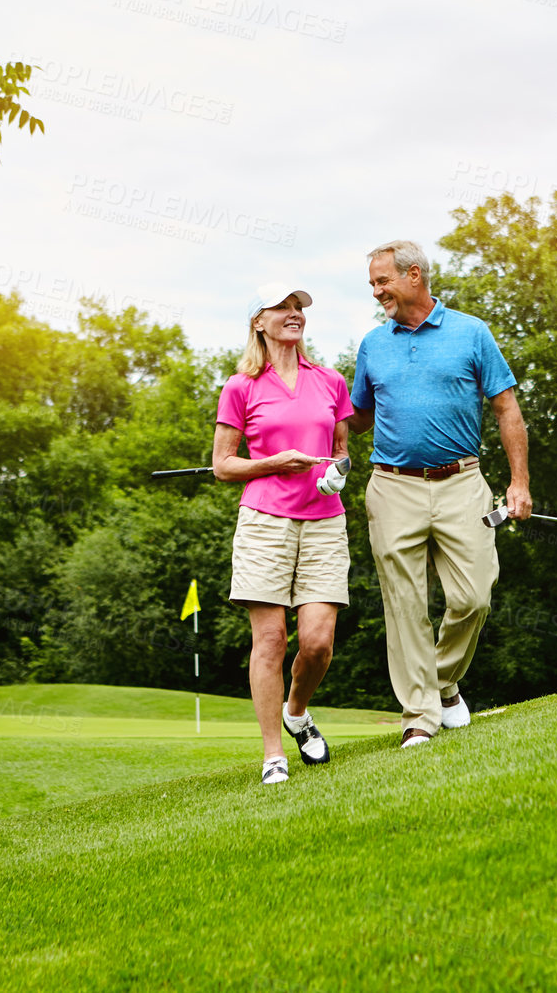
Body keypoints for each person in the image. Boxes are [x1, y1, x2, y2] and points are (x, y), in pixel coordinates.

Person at [345, 240, 531, 749]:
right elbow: (357, 418)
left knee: (474, 595)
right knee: (404, 605)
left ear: (413, 276)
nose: (376, 291)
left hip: (462, 482)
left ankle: (442, 681)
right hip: (391, 486)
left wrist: (519, 483)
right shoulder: (372, 345)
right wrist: (319, 408)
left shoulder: (471, 333)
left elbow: (507, 410)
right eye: (372, 283)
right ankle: (420, 716)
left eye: (382, 280)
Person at [214, 284, 355, 785]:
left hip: (323, 520)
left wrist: (338, 471)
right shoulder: (240, 386)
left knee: (317, 643)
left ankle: (297, 711)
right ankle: (274, 753)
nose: (293, 314)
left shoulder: (331, 381)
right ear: (259, 321)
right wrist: (272, 463)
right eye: (283, 308)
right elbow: (223, 466)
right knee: (270, 639)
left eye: (299, 308)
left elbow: (342, 450)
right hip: (264, 522)